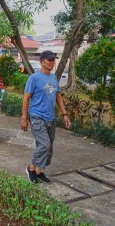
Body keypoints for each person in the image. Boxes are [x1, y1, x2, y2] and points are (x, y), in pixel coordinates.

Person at [22, 50, 71, 184]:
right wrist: (24, 118)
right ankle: (31, 168)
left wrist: (65, 114)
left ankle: (39, 171)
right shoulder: (34, 78)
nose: (52, 62)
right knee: (45, 144)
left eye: (53, 60)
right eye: (49, 60)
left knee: (48, 148)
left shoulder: (53, 78)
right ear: (42, 62)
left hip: (51, 117)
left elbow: (58, 96)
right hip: (37, 116)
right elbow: (26, 98)